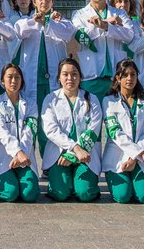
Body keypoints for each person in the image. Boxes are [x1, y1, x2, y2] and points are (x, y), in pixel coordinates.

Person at [41, 58, 102, 202]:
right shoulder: (50, 99)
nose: (70, 78)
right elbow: (51, 130)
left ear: (80, 77)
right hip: (59, 156)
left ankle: (80, 185)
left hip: (85, 155)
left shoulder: (92, 99)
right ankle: (62, 184)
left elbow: (93, 130)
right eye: (65, 74)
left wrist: (75, 154)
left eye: (74, 74)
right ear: (59, 77)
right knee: (60, 194)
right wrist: (74, 149)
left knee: (85, 194)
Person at [101, 59, 144, 204]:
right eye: (125, 75)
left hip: (141, 158)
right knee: (123, 197)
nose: (129, 79)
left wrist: (135, 157)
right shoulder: (108, 101)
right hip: (118, 156)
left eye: (133, 75)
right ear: (118, 78)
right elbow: (115, 133)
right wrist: (139, 153)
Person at [10, 0, 73, 119]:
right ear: (34, 1)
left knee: (54, 119)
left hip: (54, 79)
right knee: (31, 119)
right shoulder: (25, 21)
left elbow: (68, 33)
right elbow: (20, 31)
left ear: (52, 1)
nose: (44, 2)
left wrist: (48, 22)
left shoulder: (61, 22)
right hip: (33, 79)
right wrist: (36, 21)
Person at [70, 0, 133, 97]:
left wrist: (106, 26)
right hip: (91, 76)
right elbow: (82, 38)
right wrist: (106, 23)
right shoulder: (78, 14)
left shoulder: (120, 13)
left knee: (117, 114)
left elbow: (129, 35)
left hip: (117, 76)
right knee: (91, 114)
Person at [0, 63, 40, 202]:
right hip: (3, 159)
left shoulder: (31, 104)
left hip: (25, 156)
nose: (13, 81)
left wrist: (21, 154)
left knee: (30, 194)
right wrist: (17, 152)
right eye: (9, 77)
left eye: (17, 77)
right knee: (10, 194)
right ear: (2, 81)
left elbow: (30, 132)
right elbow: (2, 133)